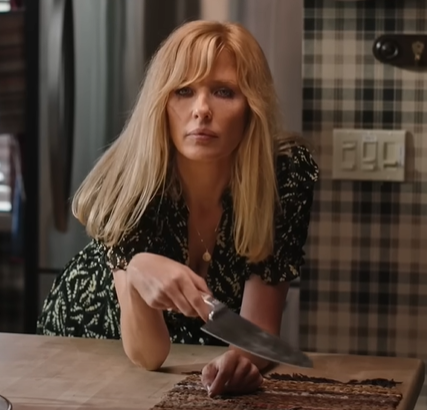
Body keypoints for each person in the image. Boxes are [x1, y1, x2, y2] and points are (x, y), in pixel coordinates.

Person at [37, 20, 319, 397]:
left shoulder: (284, 173)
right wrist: (136, 270)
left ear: (252, 106)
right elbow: (149, 355)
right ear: (162, 102)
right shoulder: (130, 180)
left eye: (223, 91)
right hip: (87, 343)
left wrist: (238, 359)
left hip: (191, 362)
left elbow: (258, 331)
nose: (201, 110)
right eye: (183, 91)